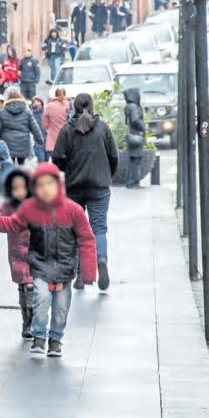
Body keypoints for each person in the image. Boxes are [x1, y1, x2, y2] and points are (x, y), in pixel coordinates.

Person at [0, 162, 97, 357]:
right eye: (40, 185)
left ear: (58, 185)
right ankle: (38, 336)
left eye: (49, 184)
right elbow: (11, 224)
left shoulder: (73, 210)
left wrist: (88, 272)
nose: (45, 189)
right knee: (41, 299)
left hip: (64, 270)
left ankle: (56, 339)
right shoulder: (30, 209)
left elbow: (86, 240)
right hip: (40, 267)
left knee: (61, 308)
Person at [52, 93, 119, 292]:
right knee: (98, 228)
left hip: (74, 188)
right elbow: (114, 156)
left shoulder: (67, 130)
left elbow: (57, 158)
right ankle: (101, 259)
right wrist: (106, 175)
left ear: (73, 107)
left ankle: (80, 274)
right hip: (99, 186)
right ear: (92, 106)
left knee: (75, 230)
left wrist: (68, 170)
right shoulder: (103, 127)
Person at [0, 168, 34, 339]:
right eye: (15, 188)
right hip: (17, 256)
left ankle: (32, 323)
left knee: (31, 286)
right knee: (24, 286)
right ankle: (27, 322)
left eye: (23, 187)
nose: (19, 192)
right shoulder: (9, 206)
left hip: (37, 255)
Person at [0, 86, 44, 165]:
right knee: (21, 165)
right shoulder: (27, 111)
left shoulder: (2, 112)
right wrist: (39, 140)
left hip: (7, 145)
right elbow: (34, 127)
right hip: (23, 144)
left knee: (9, 165)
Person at [124, 87, 145, 189]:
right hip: (136, 135)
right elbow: (135, 120)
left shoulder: (128, 106)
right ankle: (133, 182)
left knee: (133, 161)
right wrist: (143, 127)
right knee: (136, 161)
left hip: (131, 135)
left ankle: (131, 181)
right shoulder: (134, 107)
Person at [42, 88, 70, 160]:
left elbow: (44, 124)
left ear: (55, 95)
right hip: (66, 139)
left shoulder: (49, 106)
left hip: (52, 140)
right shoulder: (68, 104)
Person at [30, 96, 47, 162]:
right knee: (41, 161)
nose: (36, 103)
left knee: (46, 160)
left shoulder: (46, 113)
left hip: (46, 140)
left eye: (38, 101)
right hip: (37, 141)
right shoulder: (31, 114)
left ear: (42, 103)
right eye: (34, 102)